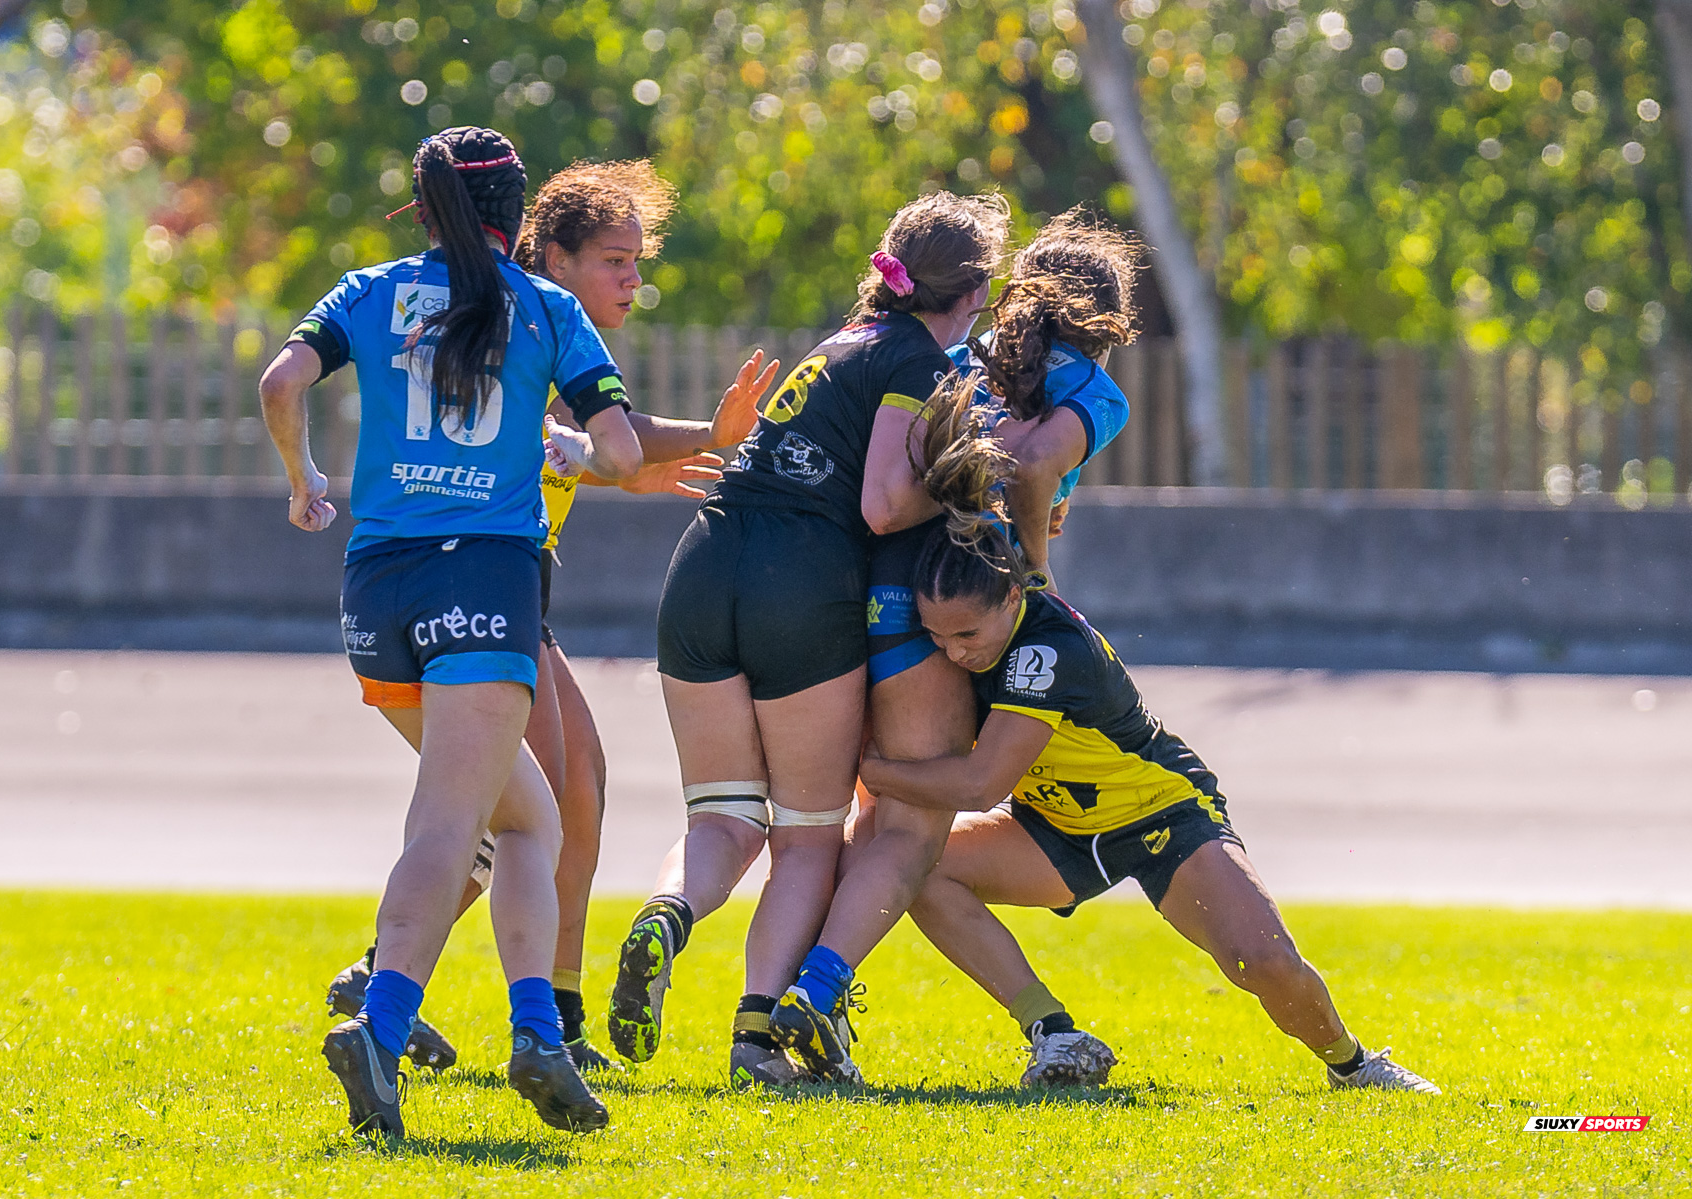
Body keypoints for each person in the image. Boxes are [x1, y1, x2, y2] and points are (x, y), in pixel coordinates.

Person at [320, 159, 777, 1075]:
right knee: (524, 807)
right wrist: (697, 439)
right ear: (555, 258)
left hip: (507, 591)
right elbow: (604, 441)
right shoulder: (530, 321)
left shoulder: (539, 328)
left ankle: (443, 991)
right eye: (615, 261)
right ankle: (487, 1008)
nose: (632, 282)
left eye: (637, 263)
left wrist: (645, 462)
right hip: (483, 592)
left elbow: (597, 449)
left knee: (560, 792)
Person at [259, 126, 643, 1137]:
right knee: (450, 824)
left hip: (375, 593)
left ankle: (537, 1033)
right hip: (483, 579)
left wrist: (303, 480)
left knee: (527, 819)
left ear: (423, 211)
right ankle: (382, 1026)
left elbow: (280, 383)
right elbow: (621, 450)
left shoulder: (367, 291)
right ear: (517, 215)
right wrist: (572, 450)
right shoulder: (548, 307)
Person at [607, 192, 1011, 1089]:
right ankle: (756, 1038)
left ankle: (669, 912)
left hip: (702, 566)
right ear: (972, 291)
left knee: (722, 816)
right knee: (806, 838)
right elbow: (881, 504)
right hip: (798, 580)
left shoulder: (840, 343)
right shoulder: (917, 358)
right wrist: (965, 482)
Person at [856, 511, 1442, 1095]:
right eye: (937, 637)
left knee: (1263, 964)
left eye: (966, 635)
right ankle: (1053, 1032)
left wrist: (876, 772)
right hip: (1057, 827)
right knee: (915, 865)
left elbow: (981, 785)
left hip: (1161, 815)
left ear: (1012, 597)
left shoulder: (1047, 650)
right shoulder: (974, 643)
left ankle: (1354, 1065)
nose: (953, 653)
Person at [768, 213, 1140, 1083]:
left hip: (875, 590)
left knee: (878, 823)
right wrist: (1032, 572)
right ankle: (816, 992)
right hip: (950, 606)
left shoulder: (965, 358)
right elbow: (1033, 461)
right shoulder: (1091, 387)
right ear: (1108, 322)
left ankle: (804, 1000)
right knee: (917, 828)